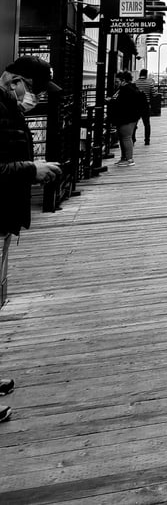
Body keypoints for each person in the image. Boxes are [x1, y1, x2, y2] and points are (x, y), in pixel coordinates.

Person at [0, 56, 63, 423]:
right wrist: (31, 169)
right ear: (15, 81)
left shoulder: (7, 107)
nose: (35, 97)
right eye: (33, 89)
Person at [108, 71, 145, 166]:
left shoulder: (125, 90)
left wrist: (111, 101)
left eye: (117, 81)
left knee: (126, 138)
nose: (115, 83)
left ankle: (129, 159)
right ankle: (124, 158)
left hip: (126, 118)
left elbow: (122, 103)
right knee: (123, 138)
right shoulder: (129, 89)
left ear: (123, 80)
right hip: (128, 117)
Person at [134, 69, 155, 146]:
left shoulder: (135, 83)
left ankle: (133, 139)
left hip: (136, 106)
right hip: (146, 105)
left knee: (134, 123)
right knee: (146, 124)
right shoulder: (149, 83)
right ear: (146, 74)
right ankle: (147, 140)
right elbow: (154, 94)